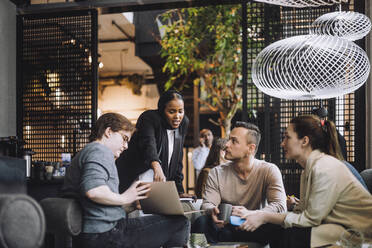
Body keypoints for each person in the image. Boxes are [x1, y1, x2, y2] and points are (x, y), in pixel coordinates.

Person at [234, 115, 372, 248]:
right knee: (270, 229)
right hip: (334, 228)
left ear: (304, 141)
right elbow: (300, 214)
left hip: (359, 234)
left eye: (287, 137)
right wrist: (256, 215)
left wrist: (264, 216)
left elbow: (310, 220)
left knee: (286, 236)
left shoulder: (324, 167)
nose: (282, 143)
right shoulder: (307, 170)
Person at [62, 113, 190, 248]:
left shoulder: (87, 152)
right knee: (180, 222)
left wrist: (131, 204)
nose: (126, 146)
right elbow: (94, 191)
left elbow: (93, 204)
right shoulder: (99, 150)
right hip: (105, 235)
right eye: (124, 138)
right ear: (108, 132)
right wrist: (125, 197)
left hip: (94, 234)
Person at [192, 121, 286, 244]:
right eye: (228, 140)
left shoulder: (269, 170)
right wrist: (212, 210)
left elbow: (280, 206)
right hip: (226, 227)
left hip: (256, 225)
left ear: (250, 148)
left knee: (280, 226)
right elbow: (208, 203)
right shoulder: (216, 172)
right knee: (202, 222)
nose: (226, 145)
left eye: (234, 141)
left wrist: (253, 214)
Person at [116, 90, 192, 197]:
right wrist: (156, 165)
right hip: (133, 176)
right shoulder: (149, 118)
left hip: (156, 183)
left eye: (180, 111)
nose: (177, 116)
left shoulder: (184, 123)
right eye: (171, 111)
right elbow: (148, 143)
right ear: (162, 110)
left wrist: (179, 191)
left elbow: (178, 159)